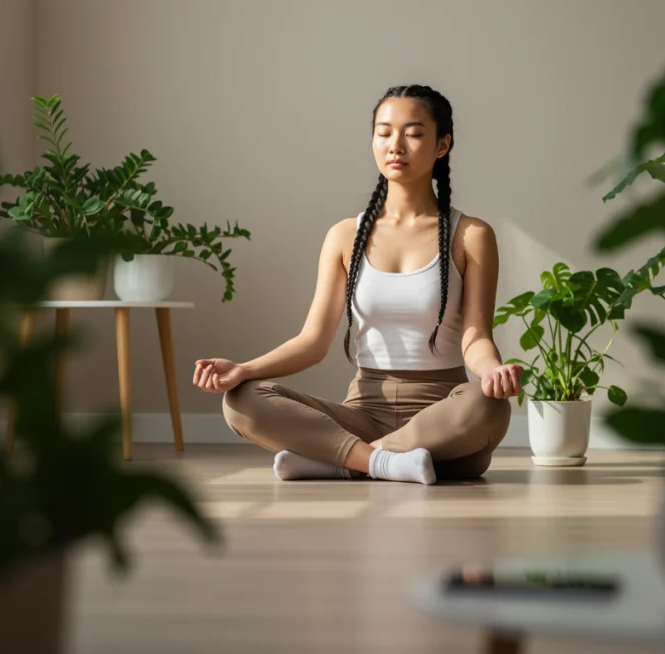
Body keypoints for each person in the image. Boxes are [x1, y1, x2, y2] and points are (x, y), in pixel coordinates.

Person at [193, 84, 520, 485]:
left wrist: (492, 372)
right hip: (361, 414)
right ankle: (384, 462)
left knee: (488, 406)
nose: (395, 145)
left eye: (414, 134)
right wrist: (242, 369)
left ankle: (342, 461)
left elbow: (476, 337)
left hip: (441, 416)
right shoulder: (344, 235)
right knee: (241, 400)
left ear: (442, 145)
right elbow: (312, 342)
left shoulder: (471, 234)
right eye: (384, 132)